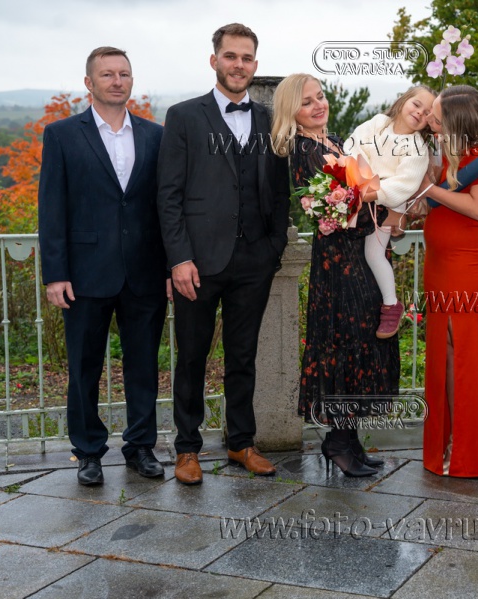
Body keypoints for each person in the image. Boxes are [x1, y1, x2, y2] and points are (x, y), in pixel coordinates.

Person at [157, 23, 289, 485]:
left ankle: (241, 443)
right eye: (231, 56)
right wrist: (178, 259)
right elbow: (168, 195)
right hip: (197, 263)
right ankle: (187, 449)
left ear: (255, 64)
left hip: (254, 261)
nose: (239, 65)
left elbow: (279, 192)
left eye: (247, 58)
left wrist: (274, 248)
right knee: (192, 357)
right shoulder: (184, 116)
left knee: (243, 357)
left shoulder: (270, 119)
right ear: (214, 60)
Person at [38, 46, 168, 485]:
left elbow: (164, 207)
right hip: (85, 273)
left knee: (144, 366)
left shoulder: (155, 135)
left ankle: (141, 447)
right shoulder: (61, 135)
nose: (117, 81)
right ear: (89, 83)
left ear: (132, 81)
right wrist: (55, 274)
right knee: (84, 368)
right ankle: (88, 452)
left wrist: (170, 268)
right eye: (108, 74)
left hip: (145, 272)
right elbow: (51, 208)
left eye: (124, 74)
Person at [271, 73, 400, 477]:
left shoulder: (336, 141)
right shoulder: (305, 150)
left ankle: (350, 438)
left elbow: (363, 194)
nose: (318, 105)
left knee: (362, 341)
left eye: (320, 96)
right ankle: (338, 442)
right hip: (340, 262)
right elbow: (338, 209)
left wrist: (385, 207)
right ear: (292, 111)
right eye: (307, 101)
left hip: (362, 254)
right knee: (346, 343)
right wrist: (387, 208)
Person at [416, 85, 478, 477]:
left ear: (458, 120)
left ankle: (469, 453)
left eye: (437, 118)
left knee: (464, 351)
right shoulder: (444, 150)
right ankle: (446, 443)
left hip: (466, 264)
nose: (430, 122)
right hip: (438, 263)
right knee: (445, 351)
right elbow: (428, 204)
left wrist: (430, 189)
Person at [344, 85, 437, 339]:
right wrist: (361, 180)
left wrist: (373, 192)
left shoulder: (417, 147)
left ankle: (391, 304)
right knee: (349, 247)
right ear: (404, 100)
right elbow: (354, 145)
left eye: (427, 113)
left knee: (373, 254)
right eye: (416, 104)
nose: (419, 113)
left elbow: (405, 183)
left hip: (388, 201)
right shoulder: (378, 124)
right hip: (360, 186)